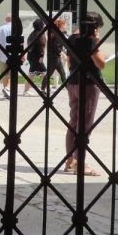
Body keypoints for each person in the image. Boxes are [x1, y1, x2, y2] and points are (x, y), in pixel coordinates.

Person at [64, 12, 107, 177]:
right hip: (88, 84)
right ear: (95, 27)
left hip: (73, 82)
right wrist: (96, 42)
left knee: (73, 122)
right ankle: (79, 163)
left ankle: (70, 160)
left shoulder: (72, 38)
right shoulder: (89, 40)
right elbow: (101, 63)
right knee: (85, 124)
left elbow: (69, 60)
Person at [43, 12, 72, 95]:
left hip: (56, 57)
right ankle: (42, 89)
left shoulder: (57, 34)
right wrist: (63, 55)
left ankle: (68, 89)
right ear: (60, 26)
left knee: (62, 73)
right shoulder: (56, 35)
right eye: (65, 25)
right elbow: (56, 47)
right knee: (50, 73)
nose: (66, 26)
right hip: (54, 57)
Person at [0, 13, 18, 100]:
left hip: (3, 55)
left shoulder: (1, 28)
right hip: (14, 54)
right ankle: (8, 89)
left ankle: (6, 90)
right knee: (12, 74)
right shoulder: (16, 28)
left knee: (5, 74)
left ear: (6, 19)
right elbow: (20, 42)